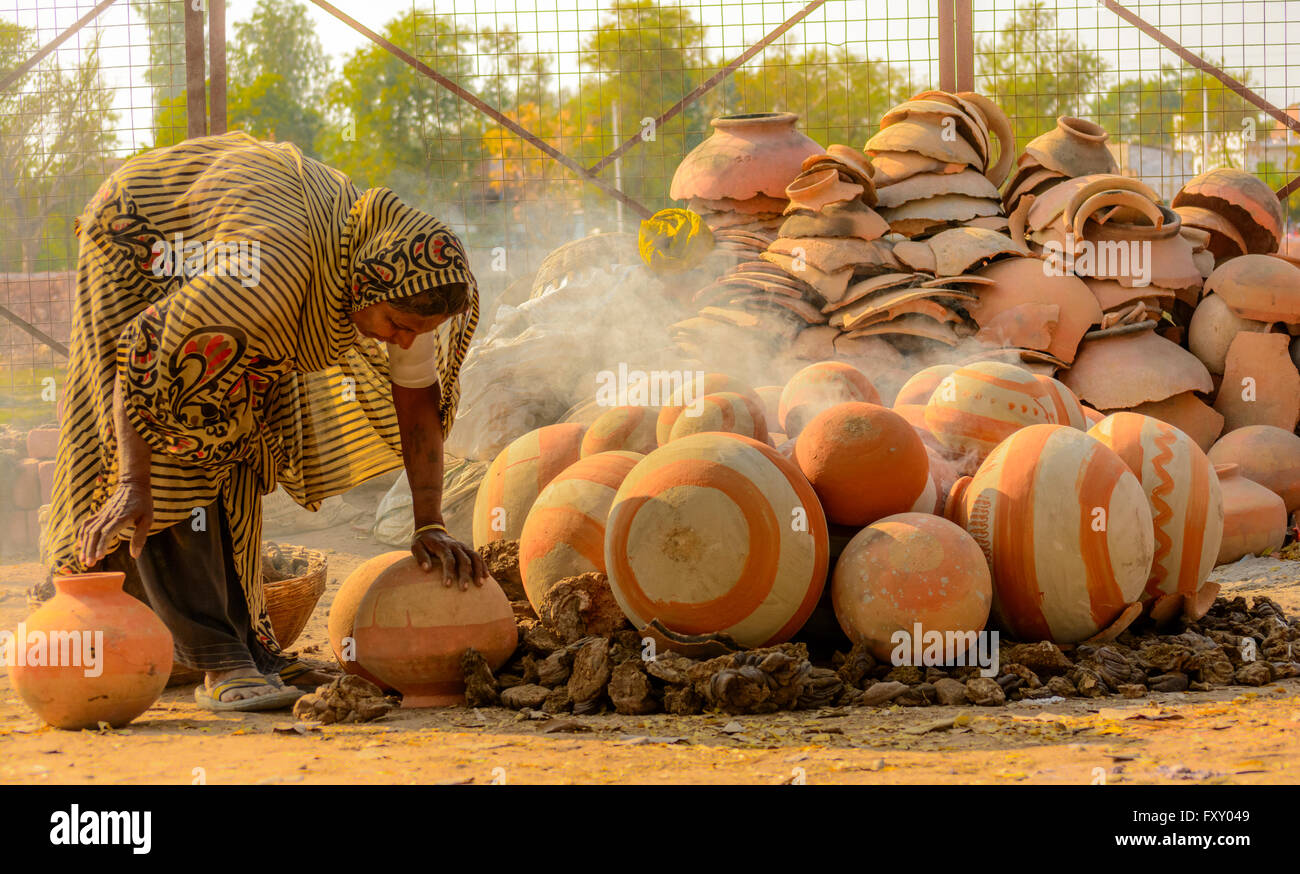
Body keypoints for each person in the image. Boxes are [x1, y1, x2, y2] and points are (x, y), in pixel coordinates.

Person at [44, 130, 487, 711]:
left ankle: (250, 643)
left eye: (417, 332)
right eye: (397, 324)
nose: (403, 340)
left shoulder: (405, 274)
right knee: (180, 437)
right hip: (141, 237)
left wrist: (429, 521)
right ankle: (216, 655)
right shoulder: (270, 279)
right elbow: (147, 352)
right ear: (362, 286)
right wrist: (132, 479)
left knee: (243, 439)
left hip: (231, 245)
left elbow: (417, 404)